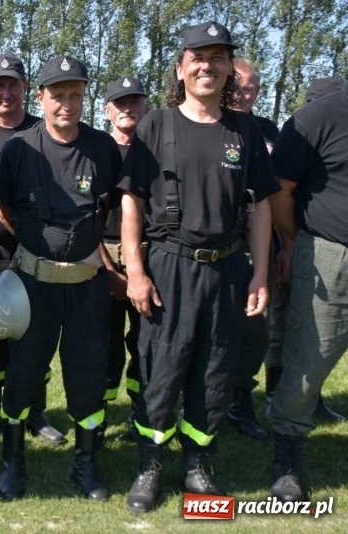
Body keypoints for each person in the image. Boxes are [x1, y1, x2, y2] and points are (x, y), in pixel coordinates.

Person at [118, 22, 278, 513]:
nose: (207, 66)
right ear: (180, 68)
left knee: (214, 370)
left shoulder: (246, 130)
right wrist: (136, 271)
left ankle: (198, 463)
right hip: (169, 266)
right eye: (197, 58)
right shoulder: (156, 125)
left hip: (227, 270)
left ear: (229, 68)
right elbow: (131, 203)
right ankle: (150, 464)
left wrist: (259, 273)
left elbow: (262, 206)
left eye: (218, 57)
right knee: (161, 369)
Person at [0, 55, 122, 501]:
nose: (67, 103)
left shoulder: (103, 148)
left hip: (87, 286)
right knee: (23, 371)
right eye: (58, 95)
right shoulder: (19, 149)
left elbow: (114, 208)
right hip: (34, 285)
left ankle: (86, 464)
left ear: (85, 97)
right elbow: (4, 210)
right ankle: (12, 462)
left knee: (88, 374)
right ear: (41, 97)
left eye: (75, 94)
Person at [0, 53, 64, 447]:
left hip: (33, 255)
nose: (6, 92)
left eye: (13, 84)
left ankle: (35, 411)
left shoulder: (43, 132)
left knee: (34, 335)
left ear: (25, 88)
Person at [266, 79, 348, 503]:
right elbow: (279, 188)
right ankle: (287, 459)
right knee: (306, 359)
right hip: (331, 255)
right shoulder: (318, 117)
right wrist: (294, 240)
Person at [223, 58, 278, 441]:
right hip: (215, 244)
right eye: (239, 87)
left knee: (254, 328)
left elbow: (275, 193)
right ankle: (194, 401)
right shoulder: (207, 125)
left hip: (257, 245)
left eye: (251, 89)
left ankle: (239, 399)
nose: (244, 95)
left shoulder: (267, 131)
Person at [99, 75, 148, 444]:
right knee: (103, 345)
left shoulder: (156, 151)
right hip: (102, 257)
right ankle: (97, 416)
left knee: (145, 344)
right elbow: (84, 216)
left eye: (134, 101)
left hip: (149, 259)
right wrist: (108, 269)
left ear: (145, 106)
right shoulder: (96, 151)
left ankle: (140, 411)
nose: (127, 108)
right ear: (107, 111)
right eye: (120, 103)